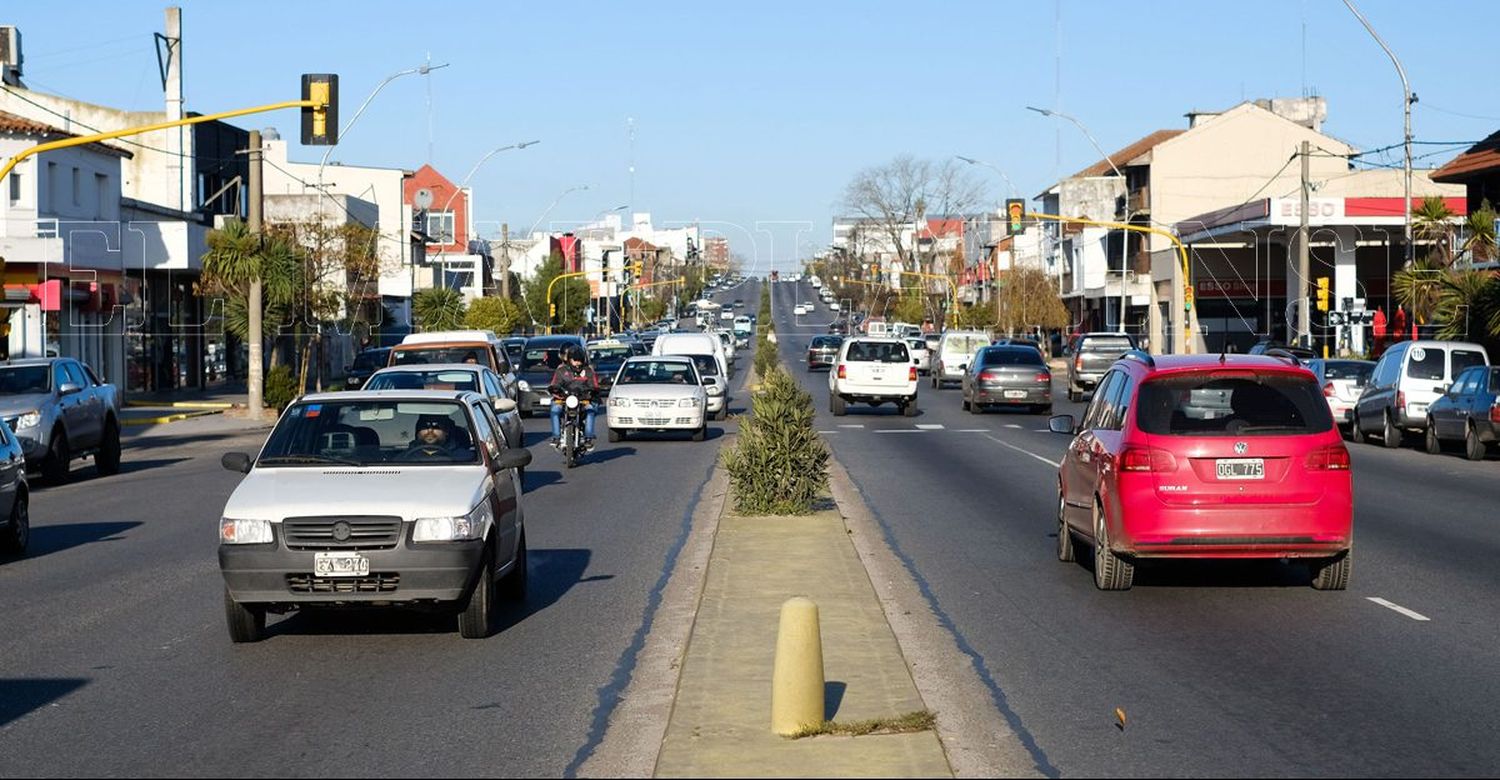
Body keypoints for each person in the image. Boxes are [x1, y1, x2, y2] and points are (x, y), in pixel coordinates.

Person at [548, 345, 599, 448]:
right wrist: (556, 389)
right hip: (564, 399)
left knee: (590, 410)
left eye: (579, 360)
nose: (577, 363)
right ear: (569, 360)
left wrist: (591, 391)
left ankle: (588, 437)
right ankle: (556, 437)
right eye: (575, 360)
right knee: (554, 410)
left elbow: (594, 385)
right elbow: (555, 383)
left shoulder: (588, 371)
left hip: (583, 400)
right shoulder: (561, 371)